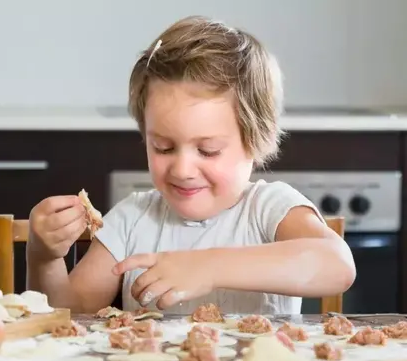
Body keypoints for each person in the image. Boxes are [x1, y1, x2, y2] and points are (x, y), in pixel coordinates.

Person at [26, 16, 356, 315]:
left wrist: (207, 266)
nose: (182, 169)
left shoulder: (268, 209)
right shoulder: (131, 219)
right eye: (163, 147)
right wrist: (45, 258)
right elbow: (70, 313)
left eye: (208, 150)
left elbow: (337, 265)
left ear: (255, 143)